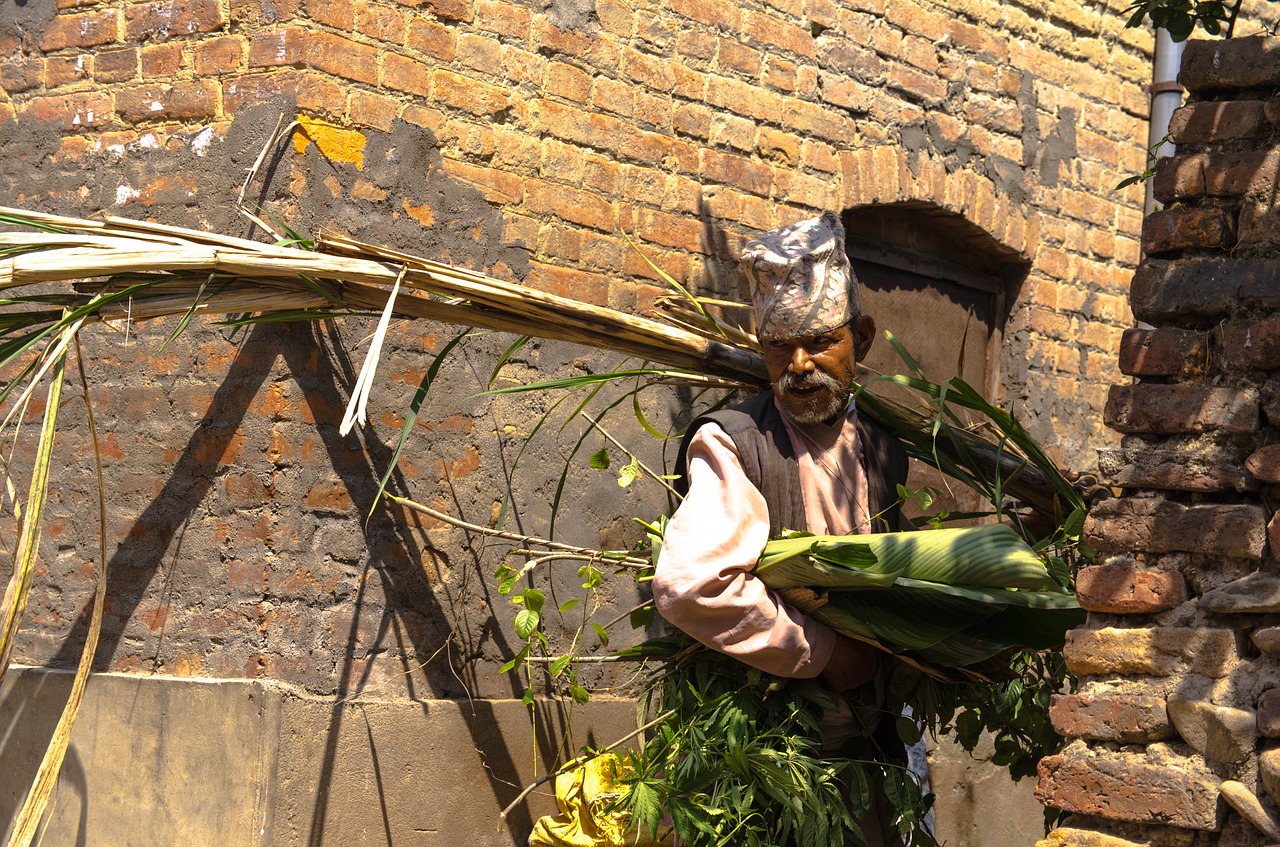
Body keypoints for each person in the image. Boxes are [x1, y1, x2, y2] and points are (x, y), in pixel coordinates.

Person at [652, 213, 910, 845]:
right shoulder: (734, 445)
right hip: (769, 762)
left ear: (864, 339)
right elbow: (691, 586)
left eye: (820, 341)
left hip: (871, 752)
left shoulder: (883, 449)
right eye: (777, 347)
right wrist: (824, 652)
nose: (797, 364)